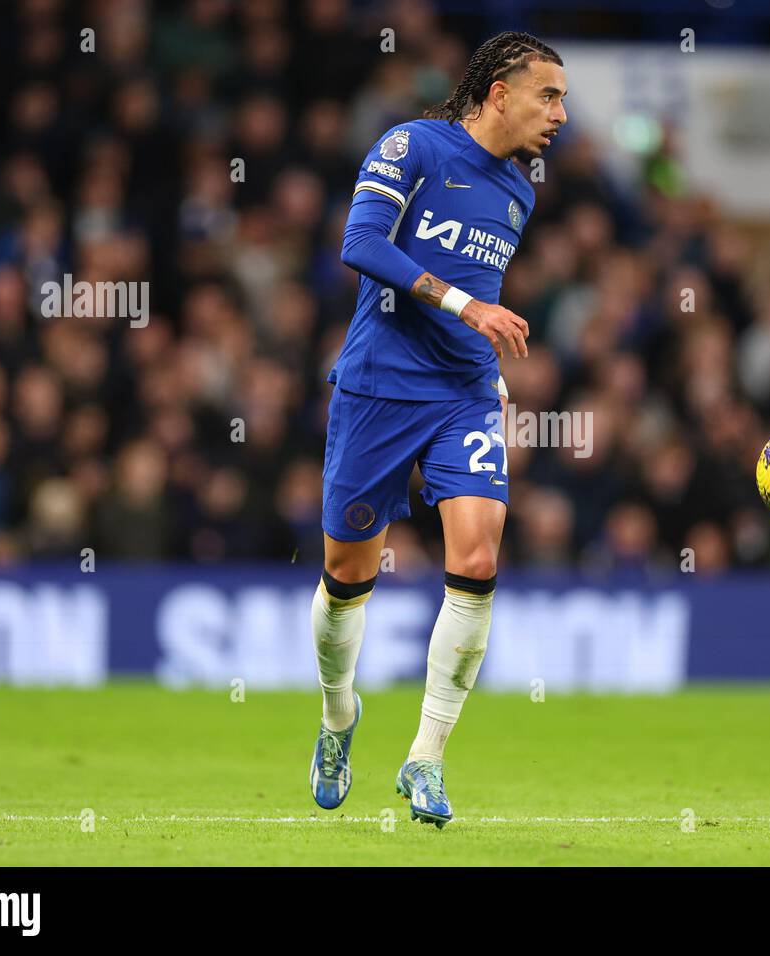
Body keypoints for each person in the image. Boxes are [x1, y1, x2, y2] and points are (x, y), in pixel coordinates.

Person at [309, 32, 567, 828]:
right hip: (379, 388)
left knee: (479, 556)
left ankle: (426, 757)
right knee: (347, 579)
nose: (559, 115)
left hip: (464, 396)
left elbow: (482, 286)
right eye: (548, 96)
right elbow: (360, 246)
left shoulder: (520, 191)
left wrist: (482, 357)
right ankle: (337, 717)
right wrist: (466, 306)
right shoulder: (411, 146)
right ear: (498, 91)